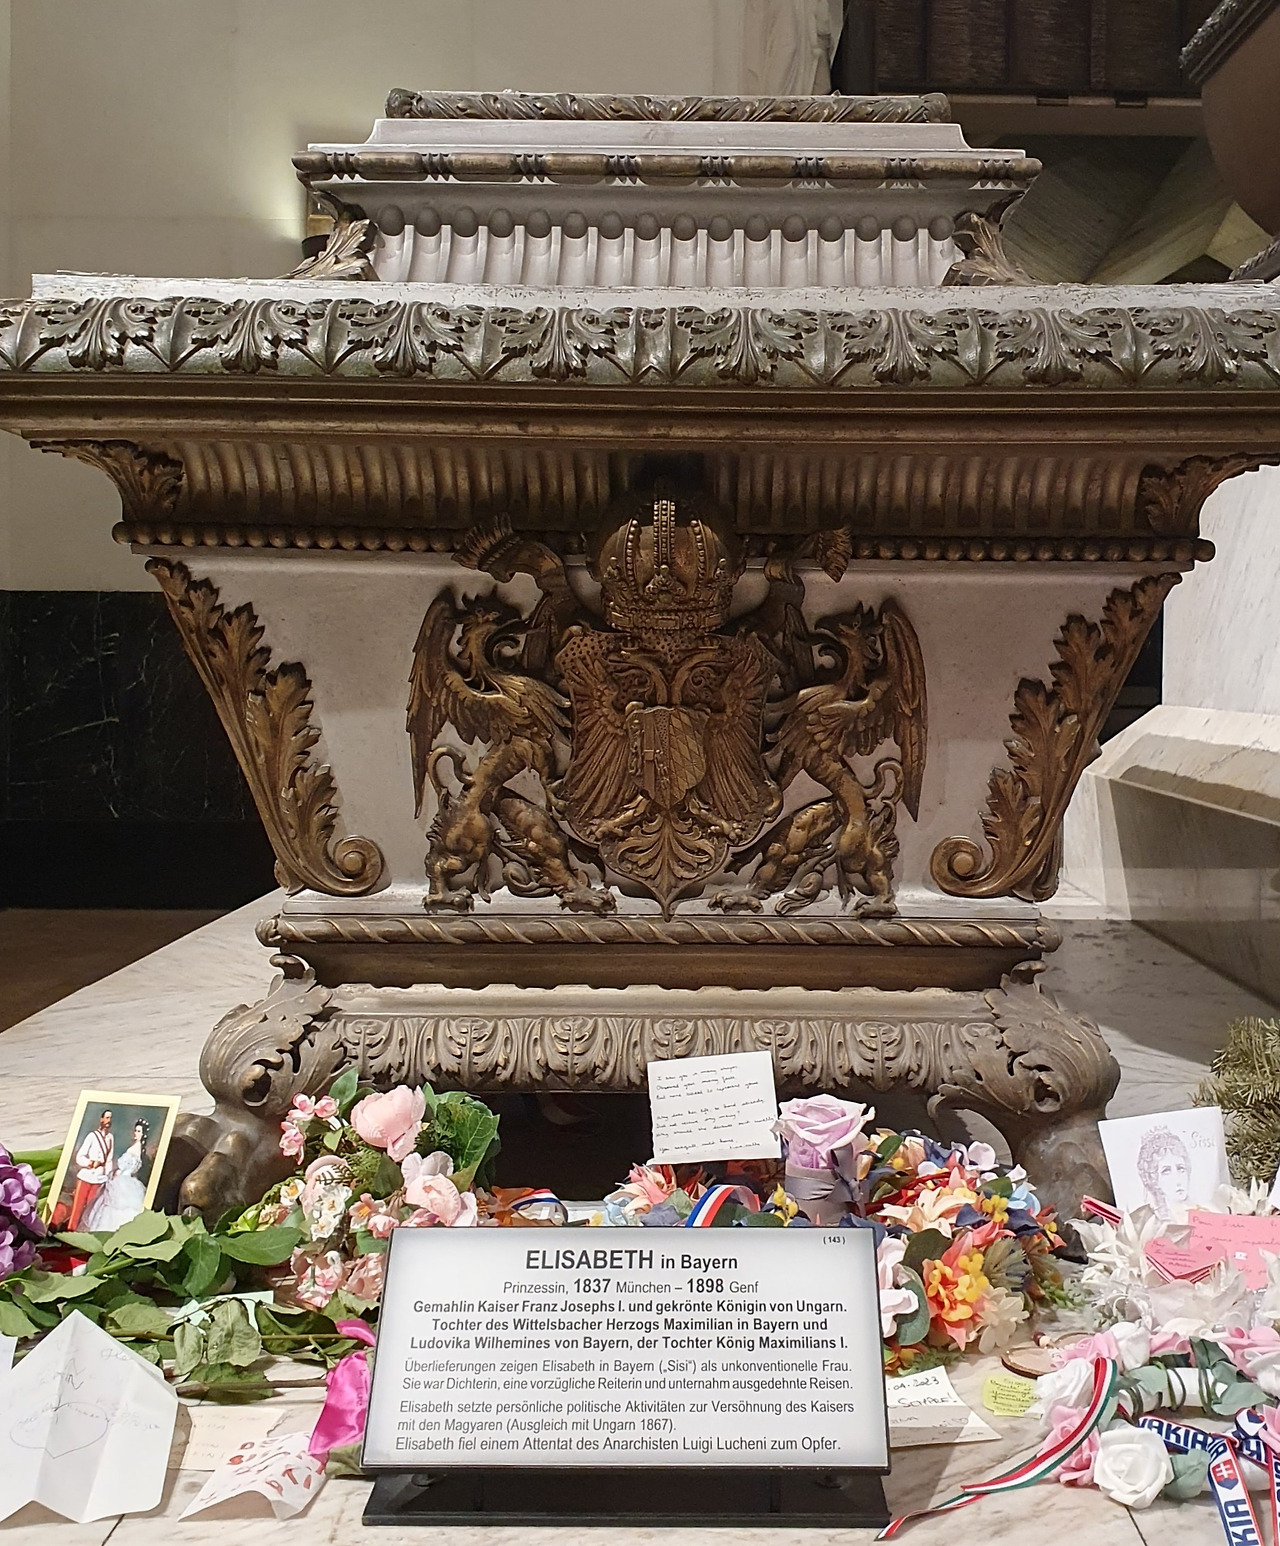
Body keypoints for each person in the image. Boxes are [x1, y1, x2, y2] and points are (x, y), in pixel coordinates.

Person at [84, 1119, 149, 1232]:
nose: (136, 1133)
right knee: (107, 1205)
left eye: (139, 1131)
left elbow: (131, 1167)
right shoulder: (135, 1147)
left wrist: (121, 1172)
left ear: (143, 1134)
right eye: (135, 1130)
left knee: (118, 1207)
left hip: (124, 1181)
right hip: (121, 1178)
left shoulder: (136, 1149)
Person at [67, 1109, 114, 1230]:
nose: (108, 1120)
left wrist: (107, 1176)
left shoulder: (110, 1138)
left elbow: (109, 1160)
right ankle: (70, 1230)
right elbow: (80, 1157)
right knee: (77, 1207)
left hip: (99, 1178)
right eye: (106, 1118)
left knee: (92, 1209)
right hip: (86, 1176)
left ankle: (85, 1232)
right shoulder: (92, 1136)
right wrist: (91, 1163)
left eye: (110, 1118)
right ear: (101, 1119)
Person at [1136, 1127, 1192, 1221]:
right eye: (1166, 1171)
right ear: (1154, 1180)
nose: (1178, 1180)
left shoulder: (1203, 1214)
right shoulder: (1152, 1222)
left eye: (1181, 1168)